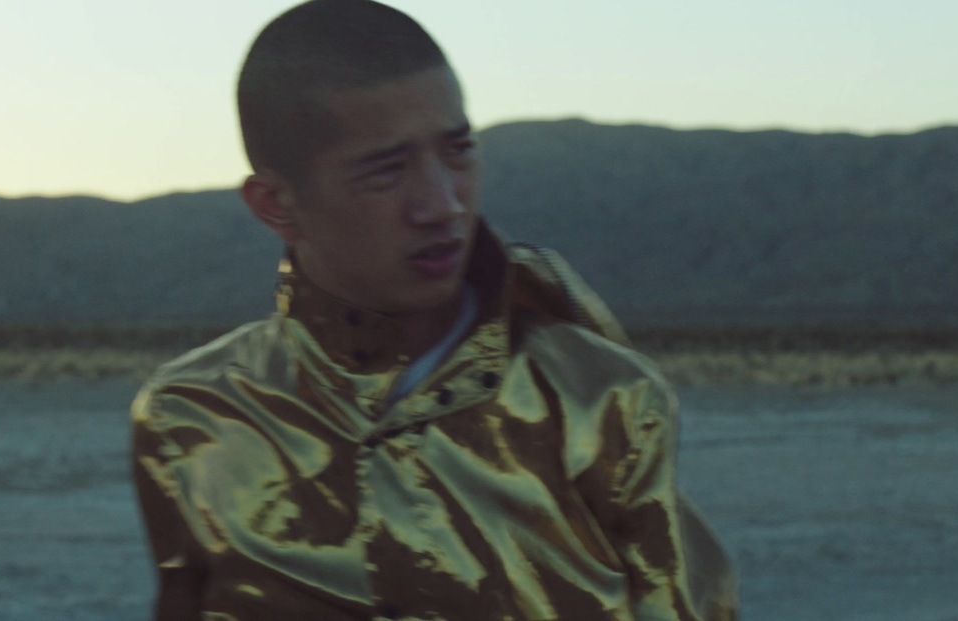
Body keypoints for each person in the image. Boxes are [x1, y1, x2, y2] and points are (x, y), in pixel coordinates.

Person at [129, 1, 738, 619]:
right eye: (387, 171)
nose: (442, 204)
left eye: (458, 152)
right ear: (277, 204)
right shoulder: (193, 417)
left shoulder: (602, 400)